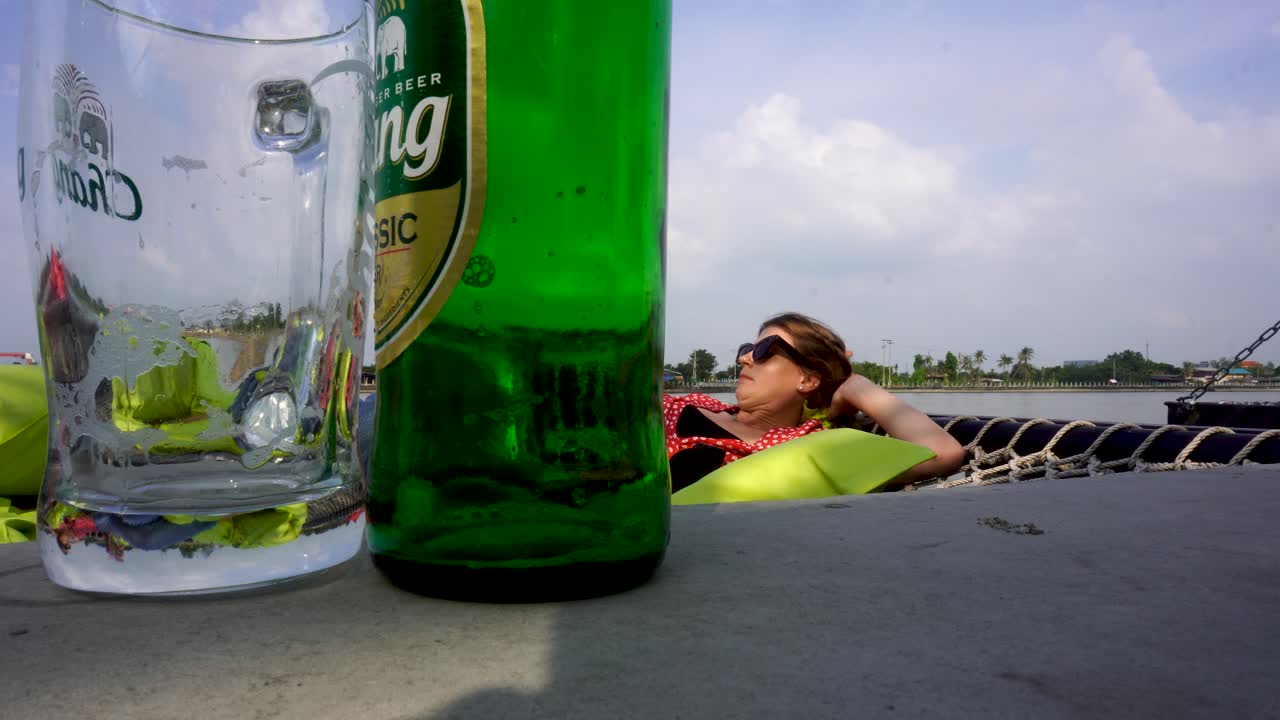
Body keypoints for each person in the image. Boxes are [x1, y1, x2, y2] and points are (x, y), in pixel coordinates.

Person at [665, 313, 964, 493]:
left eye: (765, 351)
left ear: (807, 380)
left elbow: (942, 453)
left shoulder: (814, 447)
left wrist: (858, 387)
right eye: (747, 349)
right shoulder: (688, 405)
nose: (744, 358)